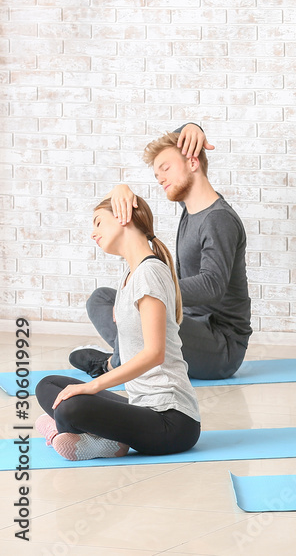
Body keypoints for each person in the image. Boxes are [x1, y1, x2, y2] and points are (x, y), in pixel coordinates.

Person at [71, 124, 252, 380]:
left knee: (138, 301)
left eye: (165, 169)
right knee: (101, 298)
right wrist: (121, 188)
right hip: (185, 325)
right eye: (157, 175)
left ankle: (114, 363)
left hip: (220, 346)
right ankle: (124, 357)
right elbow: (179, 137)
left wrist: (149, 291)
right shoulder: (192, 209)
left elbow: (213, 285)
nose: (160, 179)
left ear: (192, 162)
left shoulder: (218, 219)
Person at [34, 194, 201, 460]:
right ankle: (101, 440)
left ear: (123, 217)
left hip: (172, 420)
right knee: (48, 385)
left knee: (69, 408)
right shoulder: (130, 274)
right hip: (142, 406)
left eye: (98, 223)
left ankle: (80, 436)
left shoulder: (149, 273)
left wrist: (93, 386)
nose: (93, 233)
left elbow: (154, 354)